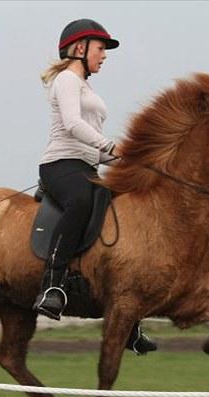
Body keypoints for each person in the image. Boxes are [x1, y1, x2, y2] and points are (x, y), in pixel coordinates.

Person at [33, 18, 156, 354]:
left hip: (86, 166)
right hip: (60, 165)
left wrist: (130, 165)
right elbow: (73, 126)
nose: (104, 55)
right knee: (82, 202)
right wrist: (113, 148)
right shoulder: (67, 80)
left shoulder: (89, 89)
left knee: (124, 212)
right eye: (101, 48)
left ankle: (130, 321)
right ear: (79, 48)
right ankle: (53, 286)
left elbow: (93, 150)